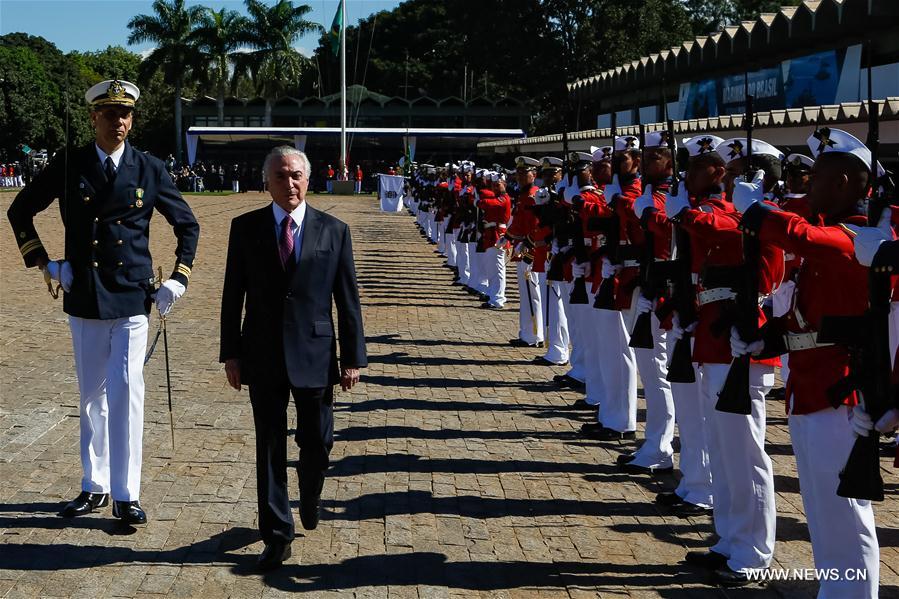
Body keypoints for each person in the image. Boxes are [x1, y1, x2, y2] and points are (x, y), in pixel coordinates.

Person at [6, 79, 200, 525]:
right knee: (92, 394)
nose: (119, 122)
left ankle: (126, 493)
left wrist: (179, 278)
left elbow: (187, 226)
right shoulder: (69, 164)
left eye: (126, 114)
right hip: (86, 296)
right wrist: (46, 265)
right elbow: (20, 210)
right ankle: (93, 485)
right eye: (110, 114)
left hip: (133, 297)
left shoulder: (148, 167)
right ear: (94, 117)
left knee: (128, 393)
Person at [730, 128, 881, 597]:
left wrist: (757, 211)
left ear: (845, 183)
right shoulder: (830, 232)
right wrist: (767, 337)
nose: (806, 186)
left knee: (845, 511)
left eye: (817, 178)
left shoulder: (860, 236)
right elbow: (806, 311)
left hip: (840, 392)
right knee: (821, 507)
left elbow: (806, 237)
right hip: (811, 387)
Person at [219, 145, 367, 571]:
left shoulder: (333, 230)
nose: (290, 183)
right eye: (281, 176)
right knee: (269, 447)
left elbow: (348, 299)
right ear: (267, 182)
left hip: (316, 353)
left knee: (317, 442)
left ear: (309, 179)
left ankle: (312, 490)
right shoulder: (244, 228)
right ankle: (277, 534)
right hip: (262, 353)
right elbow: (233, 295)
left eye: (297, 175)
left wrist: (352, 357)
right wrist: (231, 352)